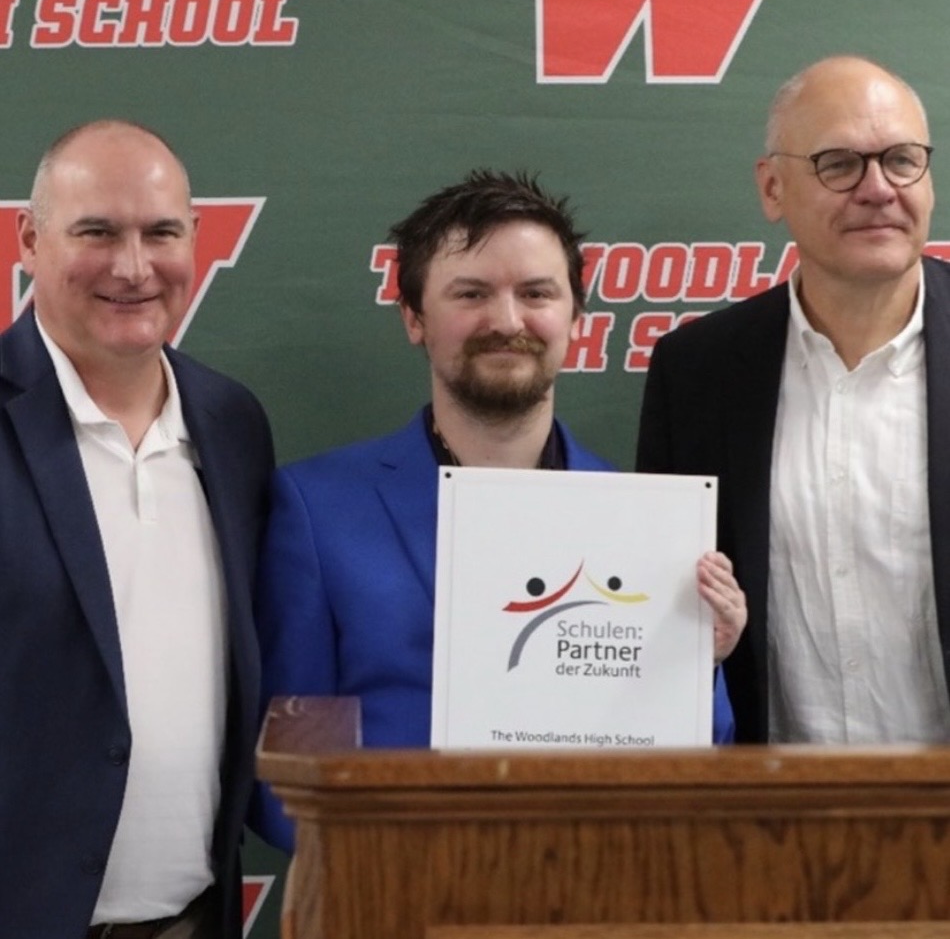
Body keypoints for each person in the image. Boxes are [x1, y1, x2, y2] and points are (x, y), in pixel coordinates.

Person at [251, 170, 746, 853]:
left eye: (536, 293)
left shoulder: (646, 525)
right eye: (472, 294)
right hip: (391, 904)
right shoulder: (317, 509)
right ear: (414, 318)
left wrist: (701, 657)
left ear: (577, 317)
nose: (507, 321)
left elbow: (702, 761)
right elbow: (285, 785)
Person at [0, 120, 274, 938]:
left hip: (197, 919)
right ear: (29, 239)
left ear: (195, 239)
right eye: (96, 232)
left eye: (160, 233)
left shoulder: (232, 424)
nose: (132, 266)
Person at [636, 54, 950, 745]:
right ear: (773, 188)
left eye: (902, 159)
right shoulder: (697, 374)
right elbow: (665, 619)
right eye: (839, 163)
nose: (878, 189)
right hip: (768, 828)